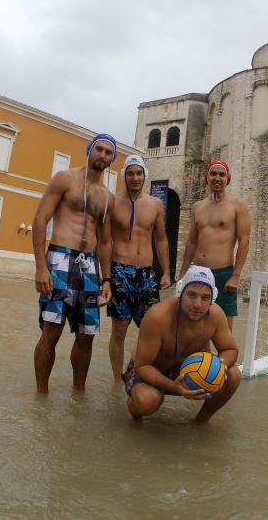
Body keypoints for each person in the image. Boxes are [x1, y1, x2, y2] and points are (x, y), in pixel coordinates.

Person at [31, 134, 115, 393]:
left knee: (87, 334)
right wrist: (41, 267)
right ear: (89, 150)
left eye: (108, 152)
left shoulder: (107, 197)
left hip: (89, 266)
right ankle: (42, 394)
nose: (102, 155)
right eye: (98, 149)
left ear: (112, 160)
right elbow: (40, 220)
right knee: (52, 330)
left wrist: (106, 279)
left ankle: (78, 393)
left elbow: (105, 241)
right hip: (58, 260)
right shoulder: (64, 179)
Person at [123, 266, 241, 422]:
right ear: (180, 292)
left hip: (191, 372)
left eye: (205, 298)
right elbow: (142, 366)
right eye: (191, 295)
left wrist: (221, 364)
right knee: (147, 400)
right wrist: (174, 387)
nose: (198, 304)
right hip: (152, 370)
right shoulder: (157, 316)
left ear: (212, 299)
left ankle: (199, 423)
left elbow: (230, 349)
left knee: (233, 375)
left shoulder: (216, 315)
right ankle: (134, 415)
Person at [107, 155, 171, 384]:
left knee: (152, 328)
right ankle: (116, 381)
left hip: (146, 274)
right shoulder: (113, 202)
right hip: (119, 272)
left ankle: (135, 367)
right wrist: (105, 277)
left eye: (139, 173)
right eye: (131, 173)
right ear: (124, 174)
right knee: (119, 330)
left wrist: (166, 272)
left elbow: (161, 239)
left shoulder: (155, 204)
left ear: (145, 176)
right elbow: (104, 241)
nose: (135, 178)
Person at [179, 160, 252, 331]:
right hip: (197, 273)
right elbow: (191, 242)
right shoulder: (198, 206)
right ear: (207, 177)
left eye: (222, 174)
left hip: (223, 274)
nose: (217, 178)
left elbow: (244, 241)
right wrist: (183, 273)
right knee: (193, 327)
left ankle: (223, 358)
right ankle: (198, 358)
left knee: (224, 329)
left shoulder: (237, 206)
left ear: (228, 178)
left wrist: (236, 275)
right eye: (213, 174)